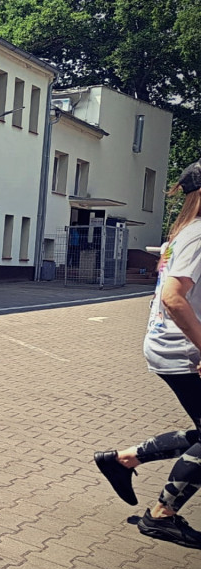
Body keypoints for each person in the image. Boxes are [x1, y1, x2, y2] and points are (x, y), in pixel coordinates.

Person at [94, 159, 201, 548]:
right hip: (182, 351)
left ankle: (125, 459)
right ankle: (161, 515)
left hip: (171, 345)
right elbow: (174, 297)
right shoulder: (200, 235)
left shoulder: (185, 232)